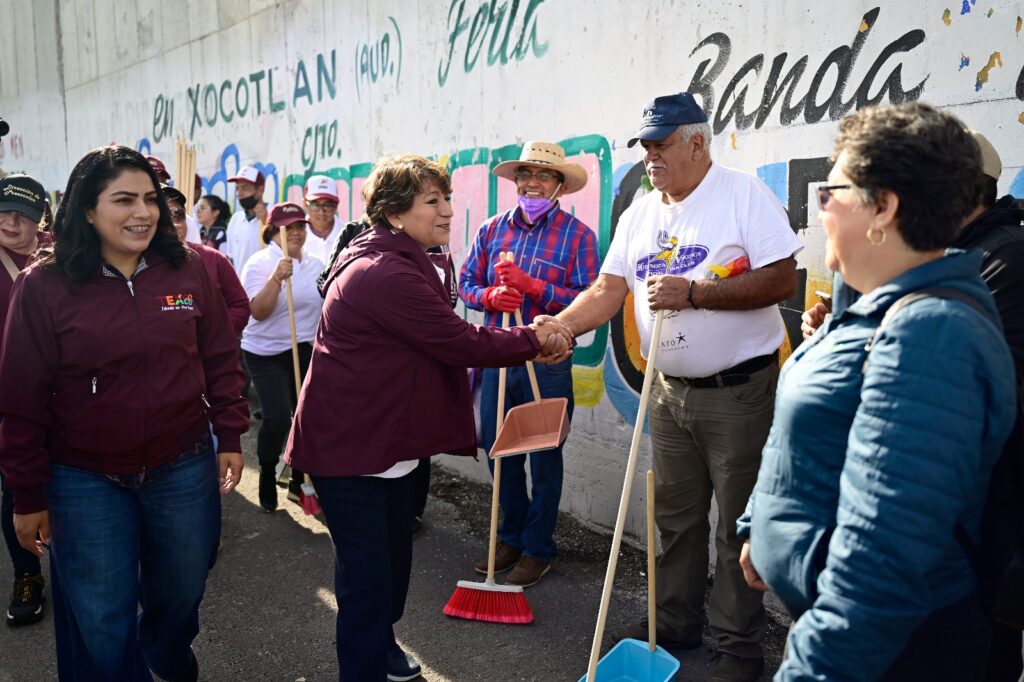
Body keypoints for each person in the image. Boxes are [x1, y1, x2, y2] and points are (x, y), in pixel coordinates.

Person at [734, 103, 1017, 681]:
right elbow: (803, 437)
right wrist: (758, 526)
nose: (821, 212)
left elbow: (881, 565)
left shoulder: (930, 333)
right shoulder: (868, 306)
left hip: (895, 650)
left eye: (829, 193)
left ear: (883, 207)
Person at [284, 154, 571, 681]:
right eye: (432, 201)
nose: (447, 211)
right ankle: (364, 669)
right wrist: (535, 339)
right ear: (394, 213)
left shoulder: (414, 257)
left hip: (389, 442)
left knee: (392, 568)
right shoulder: (383, 271)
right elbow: (455, 339)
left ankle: (384, 646)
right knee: (365, 581)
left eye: (446, 198)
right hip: (351, 449)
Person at [550, 92, 802, 681]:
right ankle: (676, 622)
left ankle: (736, 647)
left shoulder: (740, 195)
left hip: (738, 392)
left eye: (662, 143)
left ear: (697, 142)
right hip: (666, 393)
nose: (651, 155)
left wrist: (696, 293)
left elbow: (782, 279)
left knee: (736, 523)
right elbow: (611, 289)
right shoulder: (640, 210)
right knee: (674, 517)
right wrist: (562, 323)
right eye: (645, 145)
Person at [0, 145, 247, 680]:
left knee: (184, 590)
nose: (143, 212)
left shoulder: (189, 271)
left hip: (181, 463)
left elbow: (221, 357)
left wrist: (229, 433)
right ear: (87, 210)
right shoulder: (43, 285)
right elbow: (19, 399)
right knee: (102, 620)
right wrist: (27, 493)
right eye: (123, 200)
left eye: (150, 199)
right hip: (83, 477)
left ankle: (164, 655)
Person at [459, 140, 599, 587]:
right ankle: (510, 537)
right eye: (525, 175)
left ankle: (538, 548)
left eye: (543, 176)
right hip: (497, 354)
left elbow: (589, 298)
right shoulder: (491, 230)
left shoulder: (580, 237)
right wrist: (489, 297)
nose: (532, 183)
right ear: (515, 181)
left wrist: (534, 286)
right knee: (499, 454)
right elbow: (465, 283)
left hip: (547, 361)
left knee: (543, 456)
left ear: (559, 185)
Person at [240, 201, 323, 512]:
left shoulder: (316, 264)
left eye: (301, 226)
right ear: (274, 231)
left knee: (305, 418)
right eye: (289, 227)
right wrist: (276, 279)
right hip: (265, 352)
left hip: (303, 349)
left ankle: (300, 481)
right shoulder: (259, 263)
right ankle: (265, 471)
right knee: (276, 417)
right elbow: (258, 313)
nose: (297, 232)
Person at [0, 173, 49, 627]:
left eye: (23, 215)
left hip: (61, 396)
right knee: (14, 485)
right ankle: (28, 574)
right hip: (6, 397)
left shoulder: (61, 255)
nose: (10, 221)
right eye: (4, 211)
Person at [163, 185, 250, 336]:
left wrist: (215, 335)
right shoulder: (135, 264)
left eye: (179, 215)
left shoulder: (213, 258)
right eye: (165, 216)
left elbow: (240, 306)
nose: (174, 223)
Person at [146, 154, 201, 242]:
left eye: (161, 181)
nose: (157, 186)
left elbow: (195, 252)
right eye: (150, 180)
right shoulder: (134, 220)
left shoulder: (187, 222)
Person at [224, 165, 268, 272]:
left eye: (245, 188)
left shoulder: (274, 214)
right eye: (237, 188)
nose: (239, 193)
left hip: (268, 285)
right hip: (241, 286)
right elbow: (230, 257)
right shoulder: (236, 219)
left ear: (260, 190)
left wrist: (266, 221)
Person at [302, 175, 343, 264]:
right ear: (305, 204)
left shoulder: (349, 234)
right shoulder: (295, 236)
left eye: (327, 205)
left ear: (336, 206)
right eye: (315, 205)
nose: (321, 212)